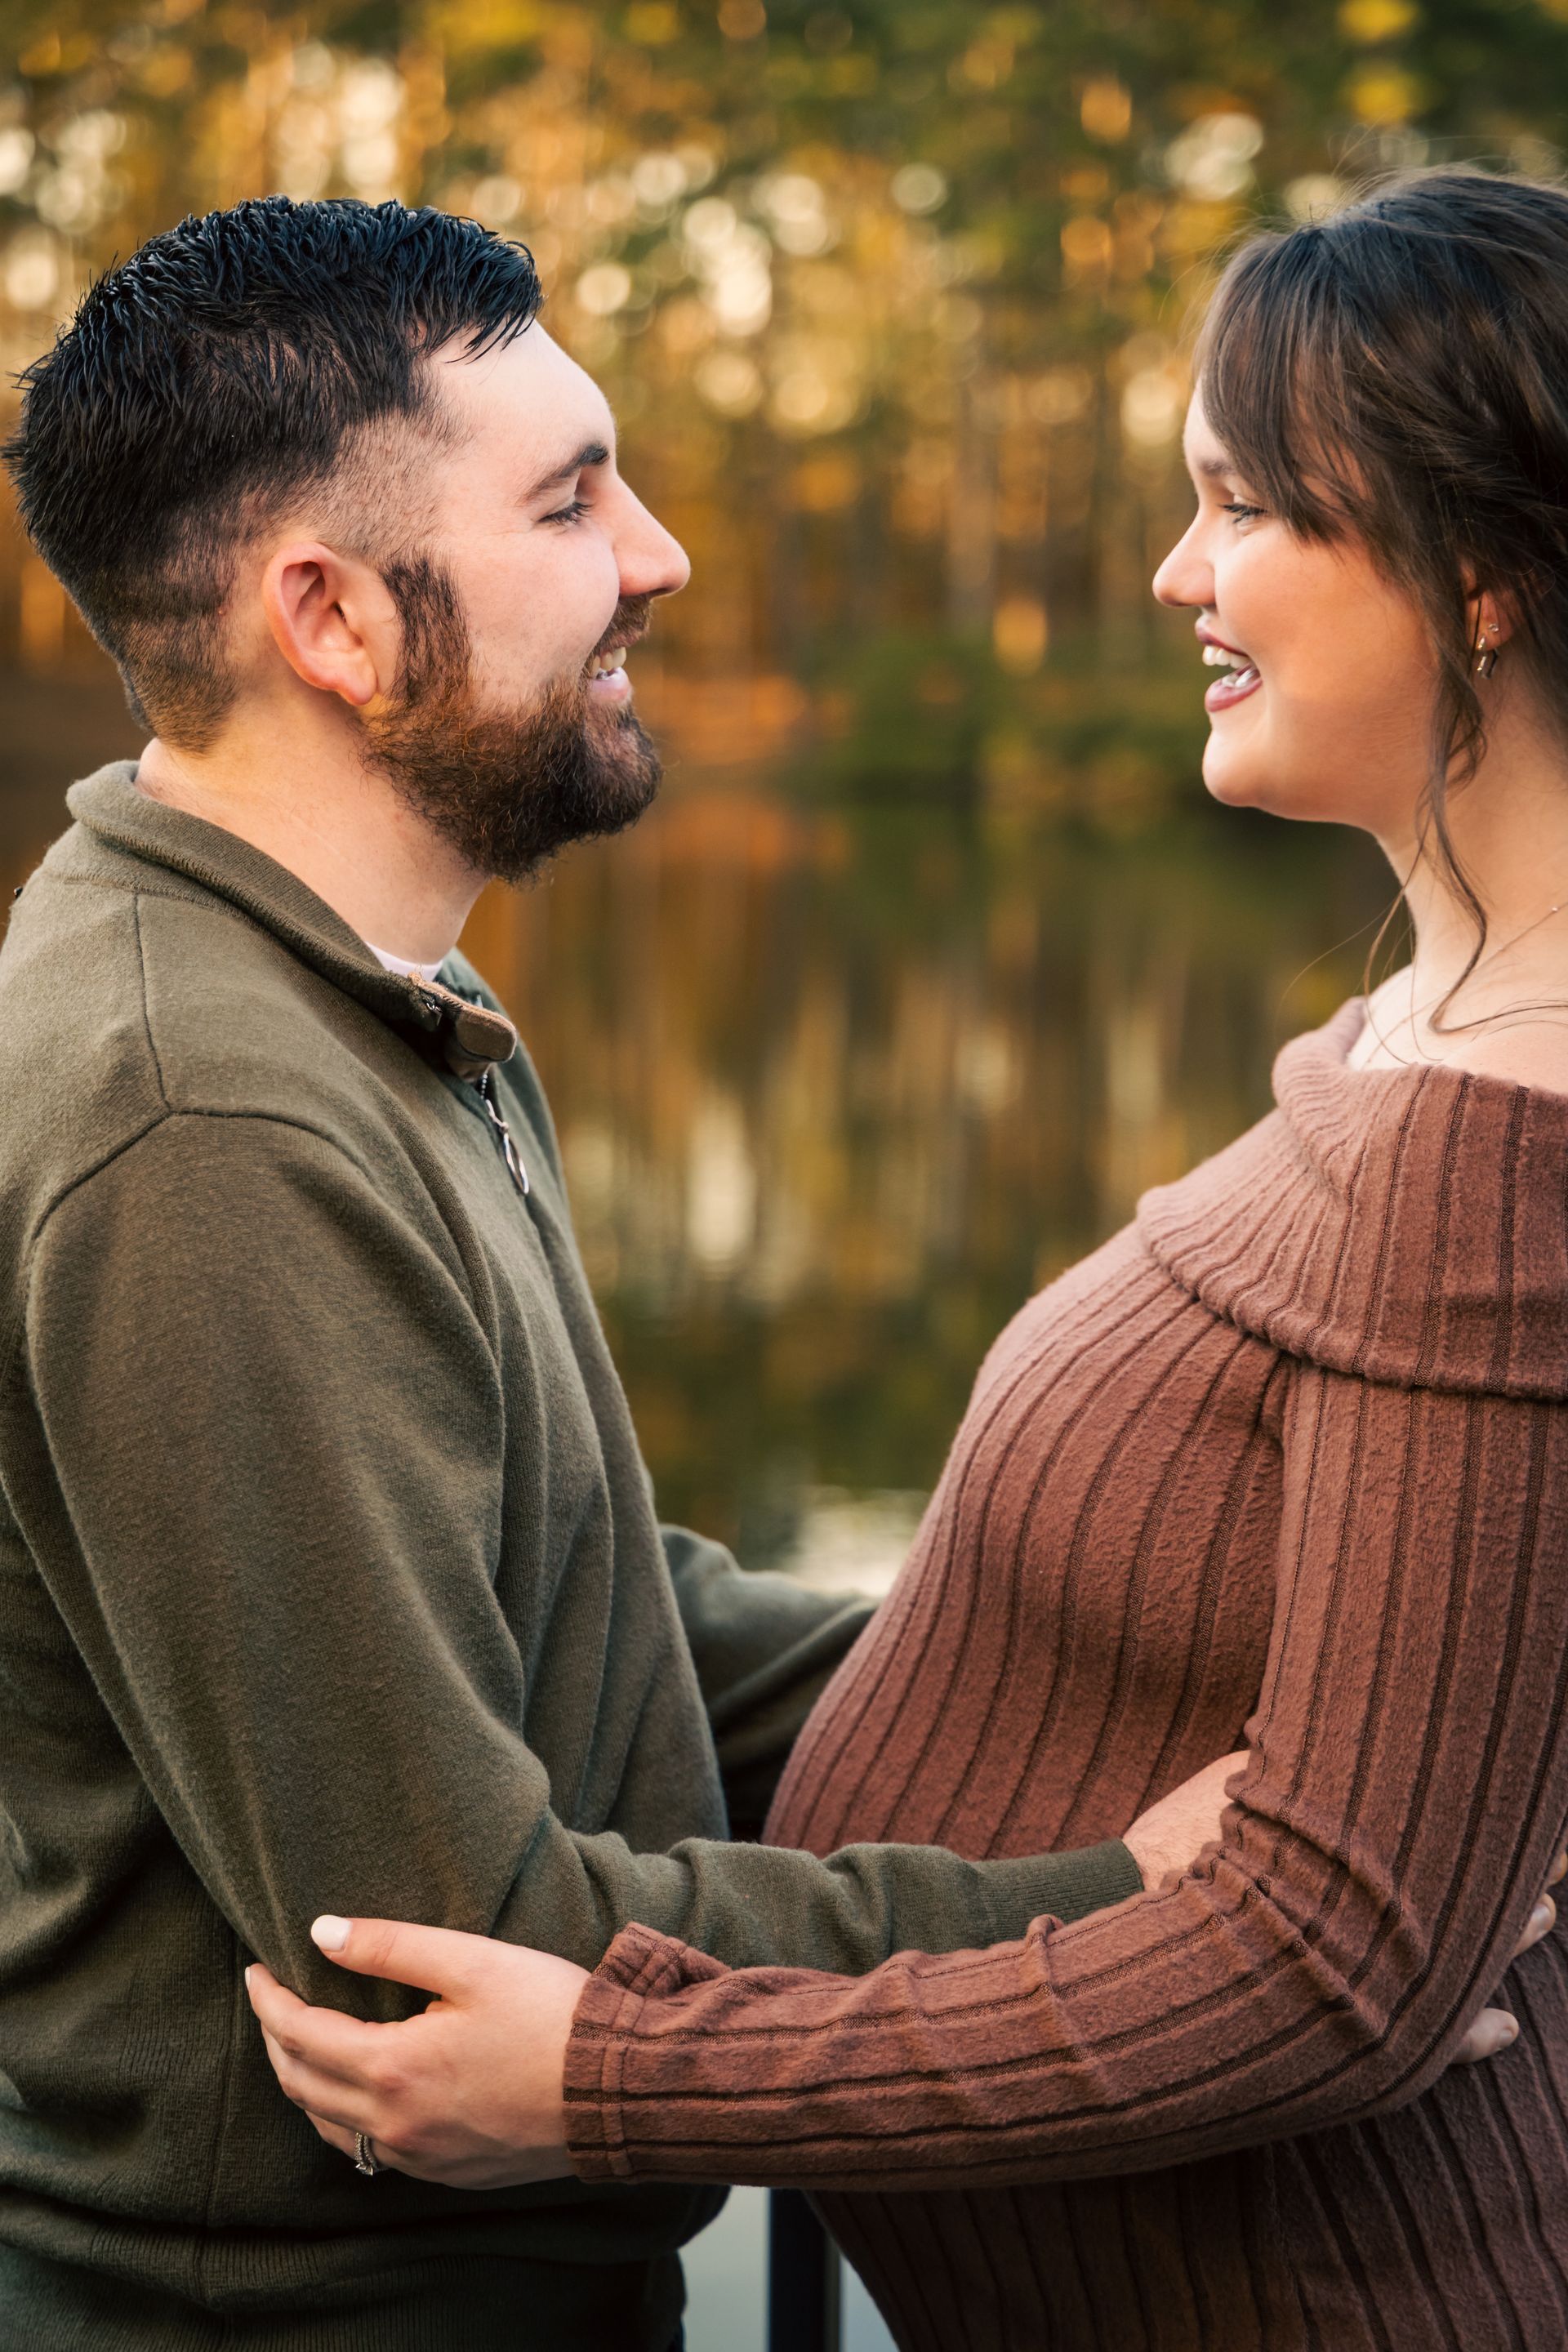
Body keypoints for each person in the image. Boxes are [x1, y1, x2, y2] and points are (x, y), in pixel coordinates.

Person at [0, 194, 1352, 2352]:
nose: (660, 555)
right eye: (571, 498)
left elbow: (585, 1605)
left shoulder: (355, 995)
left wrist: (1115, 1695)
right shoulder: (208, 1120)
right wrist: (1116, 1912)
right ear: (333, 621)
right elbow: (445, 1941)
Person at [249, 167, 1568, 2349]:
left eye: (1245, 507)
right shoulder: (1422, 1042)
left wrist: (615, 2079)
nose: (1175, 572)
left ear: (1489, 578)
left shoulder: (1505, 1150)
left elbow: (1335, 1969)